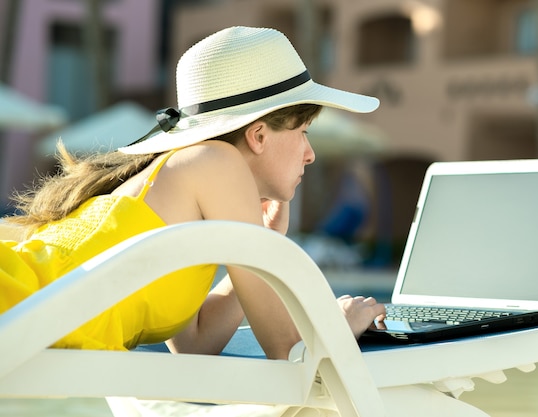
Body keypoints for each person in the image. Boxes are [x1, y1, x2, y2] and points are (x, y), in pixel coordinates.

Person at [0, 26, 385, 360]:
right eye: (303, 132)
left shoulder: (192, 179)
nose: (310, 153)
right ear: (259, 135)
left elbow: (197, 343)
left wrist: (262, 243)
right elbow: (286, 347)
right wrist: (341, 322)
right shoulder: (215, 161)